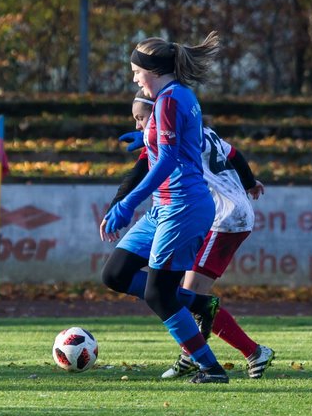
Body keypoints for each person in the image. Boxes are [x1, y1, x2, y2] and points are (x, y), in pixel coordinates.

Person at [99, 33, 230, 384]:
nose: (134, 79)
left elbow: (170, 159)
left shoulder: (170, 100)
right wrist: (146, 137)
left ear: (152, 71)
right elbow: (182, 143)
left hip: (183, 207)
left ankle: (211, 368)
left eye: (136, 72)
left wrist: (128, 203)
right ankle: (198, 304)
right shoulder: (175, 98)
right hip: (165, 207)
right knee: (116, 274)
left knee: (159, 293)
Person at [113, 96, 276, 379]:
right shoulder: (197, 129)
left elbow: (140, 171)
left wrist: (119, 204)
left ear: (158, 116)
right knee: (183, 295)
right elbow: (234, 155)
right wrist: (250, 183)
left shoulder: (169, 137)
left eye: (141, 118)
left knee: (191, 296)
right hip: (225, 212)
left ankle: (252, 352)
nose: (138, 125)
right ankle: (192, 355)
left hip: (223, 217)